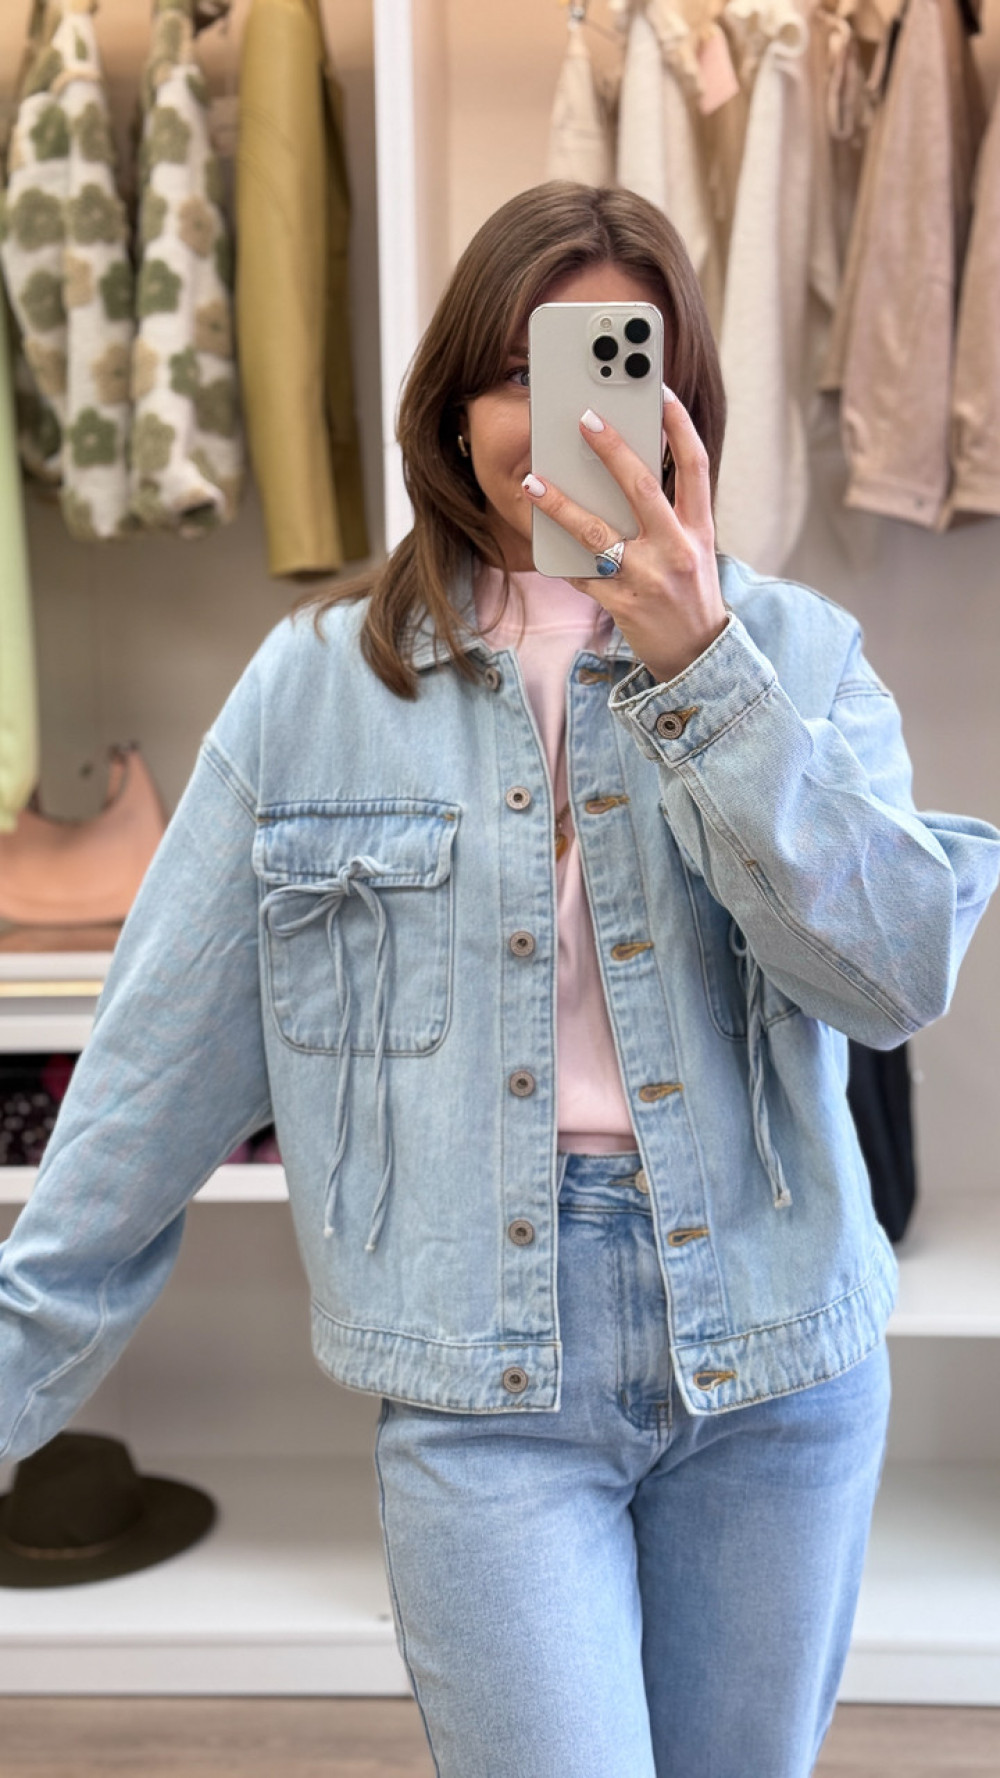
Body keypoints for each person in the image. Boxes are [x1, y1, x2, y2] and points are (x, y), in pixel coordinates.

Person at [1, 183, 998, 1777]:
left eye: (614, 360)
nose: (566, 414)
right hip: (484, 1383)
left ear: (680, 406)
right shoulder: (315, 691)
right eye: (525, 368)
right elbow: (143, 1087)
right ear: (455, 410)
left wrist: (702, 671)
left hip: (777, 1363)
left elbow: (890, 977)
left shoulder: (798, 658)